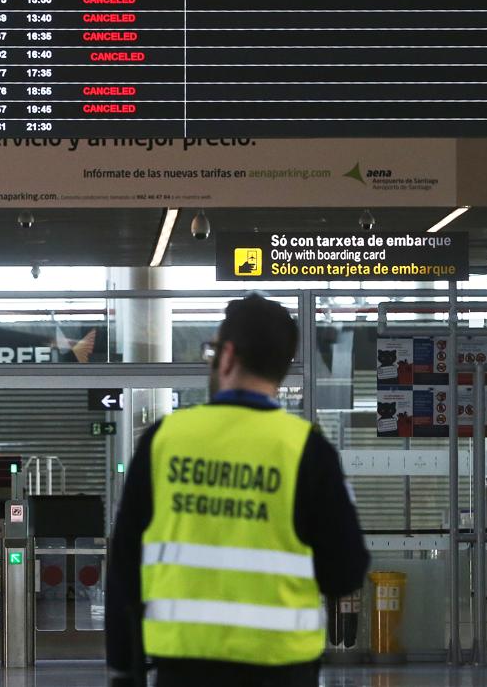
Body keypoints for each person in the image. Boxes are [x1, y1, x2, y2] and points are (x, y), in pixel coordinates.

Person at [106, 293, 368, 687]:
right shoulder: (308, 451)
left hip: (184, 671)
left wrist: (124, 663)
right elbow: (346, 571)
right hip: (282, 671)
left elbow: (125, 559)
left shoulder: (164, 441)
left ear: (227, 356)